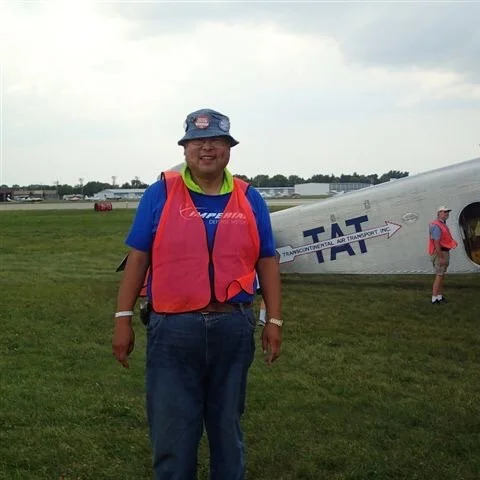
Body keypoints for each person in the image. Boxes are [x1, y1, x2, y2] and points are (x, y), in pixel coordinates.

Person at [111, 108, 282, 480]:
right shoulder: (160, 194)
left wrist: (274, 319)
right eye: (197, 141)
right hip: (173, 330)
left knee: (226, 427)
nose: (207, 148)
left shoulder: (250, 199)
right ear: (185, 148)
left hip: (233, 328)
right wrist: (122, 319)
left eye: (216, 141)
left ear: (229, 149)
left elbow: (266, 260)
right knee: (173, 430)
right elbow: (138, 257)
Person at [428, 205, 458, 304]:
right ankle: (434, 298)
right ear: (439, 213)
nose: (447, 214)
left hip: (444, 251)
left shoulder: (442, 224)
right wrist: (440, 257)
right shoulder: (436, 225)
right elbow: (436, 242)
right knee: (439, 275)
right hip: (440, 252)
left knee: (441, 275)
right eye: (444, 212)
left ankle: (439, 296)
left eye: (447, 212)